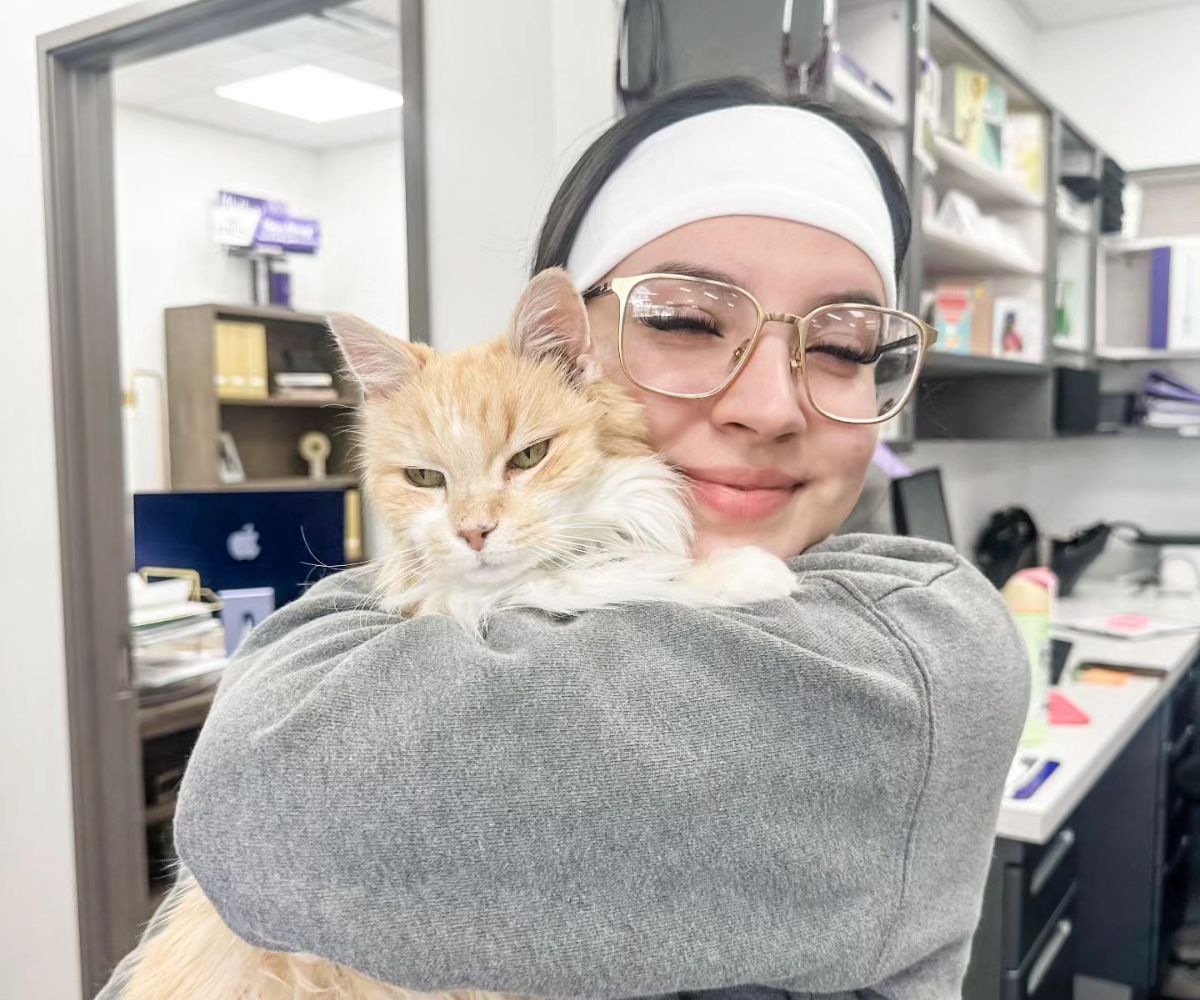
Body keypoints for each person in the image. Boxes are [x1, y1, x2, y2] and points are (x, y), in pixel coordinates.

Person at [103, 78, 1029, 999]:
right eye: (687, 320)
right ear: (572, 351)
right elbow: (244, 820)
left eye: (847, 346)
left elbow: (265, 809)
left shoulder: (916, 646)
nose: (770, 407)